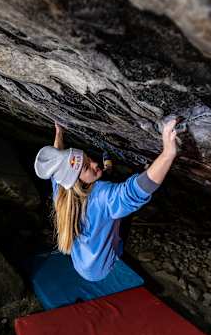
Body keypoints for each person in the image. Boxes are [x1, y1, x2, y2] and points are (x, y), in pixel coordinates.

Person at [34, 117, 180, 281]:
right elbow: (133, 192)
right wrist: (168, 154)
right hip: (99, 269)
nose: (94, 163)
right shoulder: (100, 197)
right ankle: (122, 170)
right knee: (124, 213)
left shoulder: (62, 193)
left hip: (81, 261)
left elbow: (58, 158)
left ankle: (110, 169)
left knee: (107, 180)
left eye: (88, 159)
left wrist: (59, 132)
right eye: (87, 167)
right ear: (77, 181)